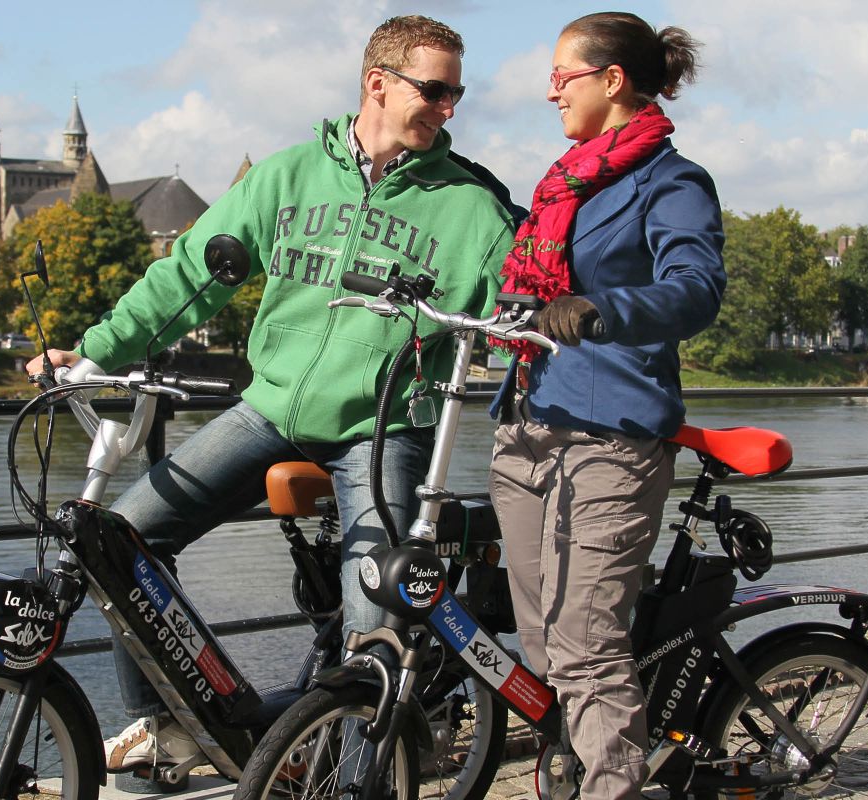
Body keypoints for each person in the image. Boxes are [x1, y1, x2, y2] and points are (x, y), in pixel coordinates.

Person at [27, 15, 515, 773]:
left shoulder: (471, 208)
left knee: (373, 615)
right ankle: (172, 725)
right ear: (376, 83)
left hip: (383, 427)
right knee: (120, 540)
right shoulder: (285, 178)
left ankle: (362, 782)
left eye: (456, 93)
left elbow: (528, 302)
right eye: (434, 90)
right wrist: (94, 354)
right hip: (273, 407)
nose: (448, 107)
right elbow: (188, 274)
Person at [485, 12, 725, 800]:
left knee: (587, 643)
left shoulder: (671, 181)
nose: (549, 87)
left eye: (564, 73)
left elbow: (695, 289)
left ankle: (617, 787)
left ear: (611, 80)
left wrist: (602, 309)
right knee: (542, 646)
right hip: (526, 424)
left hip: (612, 433)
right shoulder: (561, 184)